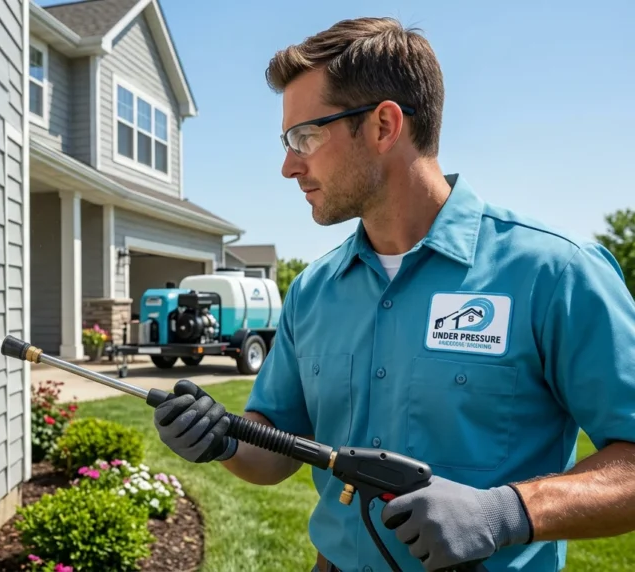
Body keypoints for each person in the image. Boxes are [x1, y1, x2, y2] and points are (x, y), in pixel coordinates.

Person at [152, 16, 635, 572]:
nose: (288, 165)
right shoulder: (313, 290)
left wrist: (507, 511)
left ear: (384, 125)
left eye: (305, 136)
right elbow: (276, 445)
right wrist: (225, 439)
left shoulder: (554, 274)